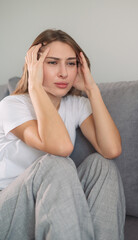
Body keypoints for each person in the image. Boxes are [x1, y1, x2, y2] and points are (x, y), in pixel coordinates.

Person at [0, 29, 125, 240]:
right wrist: (35, 87)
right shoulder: (12, 105)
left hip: (51, 202)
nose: (63, 73)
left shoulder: (76, 105)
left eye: (70, 63)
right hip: (10, 207)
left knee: (102, 165)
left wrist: (92, 90)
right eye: (52, 62)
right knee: (58, 162)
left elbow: (111, 150)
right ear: (35, 66)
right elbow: (60, 148)